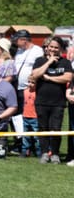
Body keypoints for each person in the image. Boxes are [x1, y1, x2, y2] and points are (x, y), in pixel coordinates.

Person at [29, 36, 72, 164]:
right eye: (51, 47)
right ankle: (44, 153)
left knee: (55, 128)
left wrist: (48, 78)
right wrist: (48, 62)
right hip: (41, 101)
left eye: (56, 47)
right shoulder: (40, 60)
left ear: (60, 49)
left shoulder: (65, 62)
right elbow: (35, 75)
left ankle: (55, 154)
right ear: (47, 47)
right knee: (43, 128)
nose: (53, 49)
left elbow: (68, 78)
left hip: (58, 102)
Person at [12, 29, 44, 116]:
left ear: (24, 40)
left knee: (29, 113)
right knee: (18, 113)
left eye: (16, 40)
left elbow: (40, 68)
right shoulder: (19, 51)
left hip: (30, 88)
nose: (15, 42)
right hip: (17, 87)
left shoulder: (38, 51)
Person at [21, 80, 40, 158]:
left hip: (35, 117)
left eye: (33, 82)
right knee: (25, 136)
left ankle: (39, 152)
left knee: (37, 137)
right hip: (25, 116)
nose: (30, 84)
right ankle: (25, 151)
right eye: (29, 82)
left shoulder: (38, 93)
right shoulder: (25, 91)